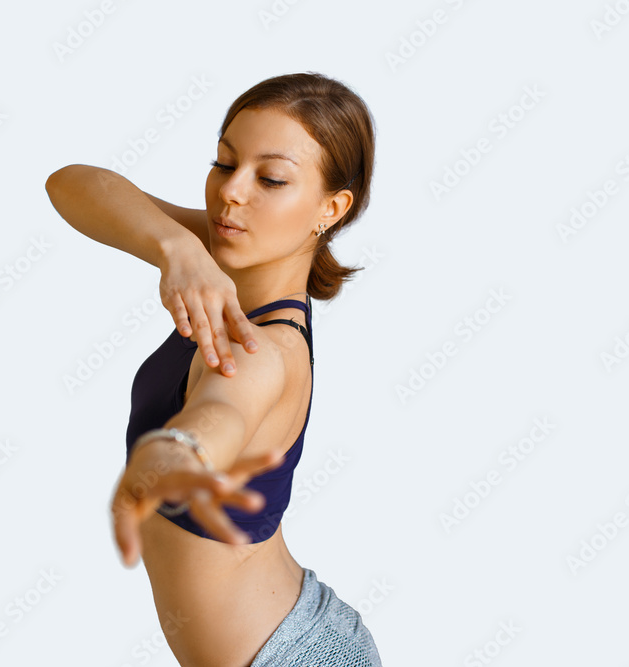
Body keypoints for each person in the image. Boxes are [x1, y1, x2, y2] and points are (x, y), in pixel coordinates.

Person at [46, 71, 382, 667]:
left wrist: (178, 452)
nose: (232, 193)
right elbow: (72, 184)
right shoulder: (226, 249)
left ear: (330, 208)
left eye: (272, 178)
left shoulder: (269, 350)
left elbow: (223, 412)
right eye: (225, 163)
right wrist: (173, 248)